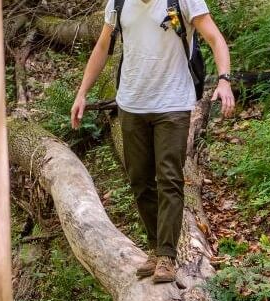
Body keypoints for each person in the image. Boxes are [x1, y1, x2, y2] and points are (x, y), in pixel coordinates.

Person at [71, 0, 235, 285]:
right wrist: (82, 92)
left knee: (169, 177)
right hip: (132, 104)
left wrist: (224, 80)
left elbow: (214, 37)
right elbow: (102, 47)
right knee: (140, 180)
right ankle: (155, 247)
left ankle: (167, 255)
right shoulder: (119, 3)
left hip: (173, 103)